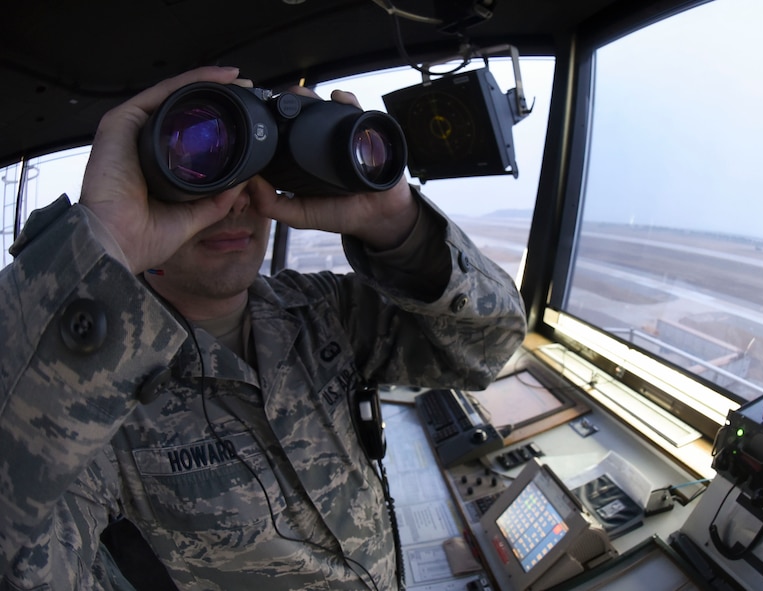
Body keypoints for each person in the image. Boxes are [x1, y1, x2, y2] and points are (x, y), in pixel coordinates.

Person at [0, 66, 527, 590]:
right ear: (147, 183)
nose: (237, 204)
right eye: (203, 171)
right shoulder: (87, 393)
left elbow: (487, 349)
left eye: (257, 171)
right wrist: (100, 243)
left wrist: (396, 225)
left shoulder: (321, 310)